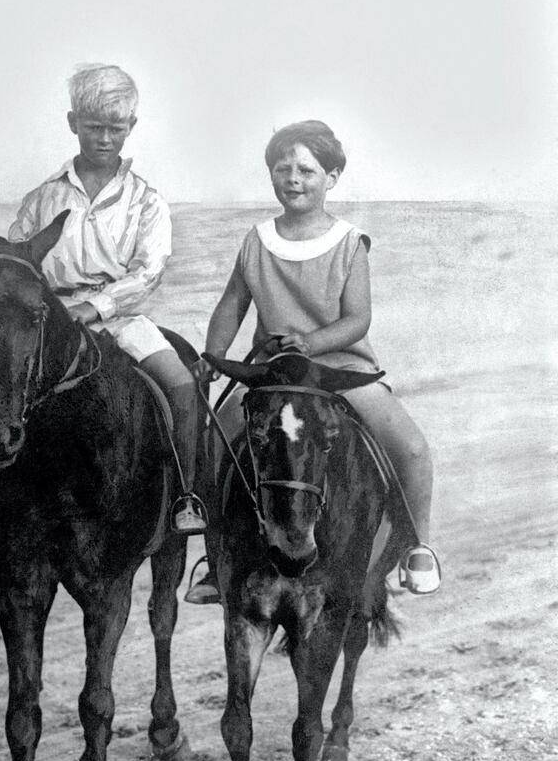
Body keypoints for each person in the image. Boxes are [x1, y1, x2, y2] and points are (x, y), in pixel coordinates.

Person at [0, 63, 207, 535]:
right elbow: (18, 264)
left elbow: (149, 272)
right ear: (72, 124)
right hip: (48, 321)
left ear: (131, 128)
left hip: (122, 321)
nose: (104, 138)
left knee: (182, 388)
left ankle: (186, 495)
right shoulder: (42, 198)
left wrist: (96, 306)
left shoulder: (146, 201)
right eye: (93, 127)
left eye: (115, 129)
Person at [186, 119, 440, 601]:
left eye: (307, 169)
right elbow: (231, 305)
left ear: (332, 177)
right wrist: (214, 357)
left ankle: (418, 546)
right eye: (283, 169)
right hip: (271, 372)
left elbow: (357, 320)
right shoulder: (257, 240)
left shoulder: (348, 242)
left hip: (341, 369)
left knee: (410, 448)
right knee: (215, 439)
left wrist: (311, 342)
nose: (294, 178)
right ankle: (216, 558)